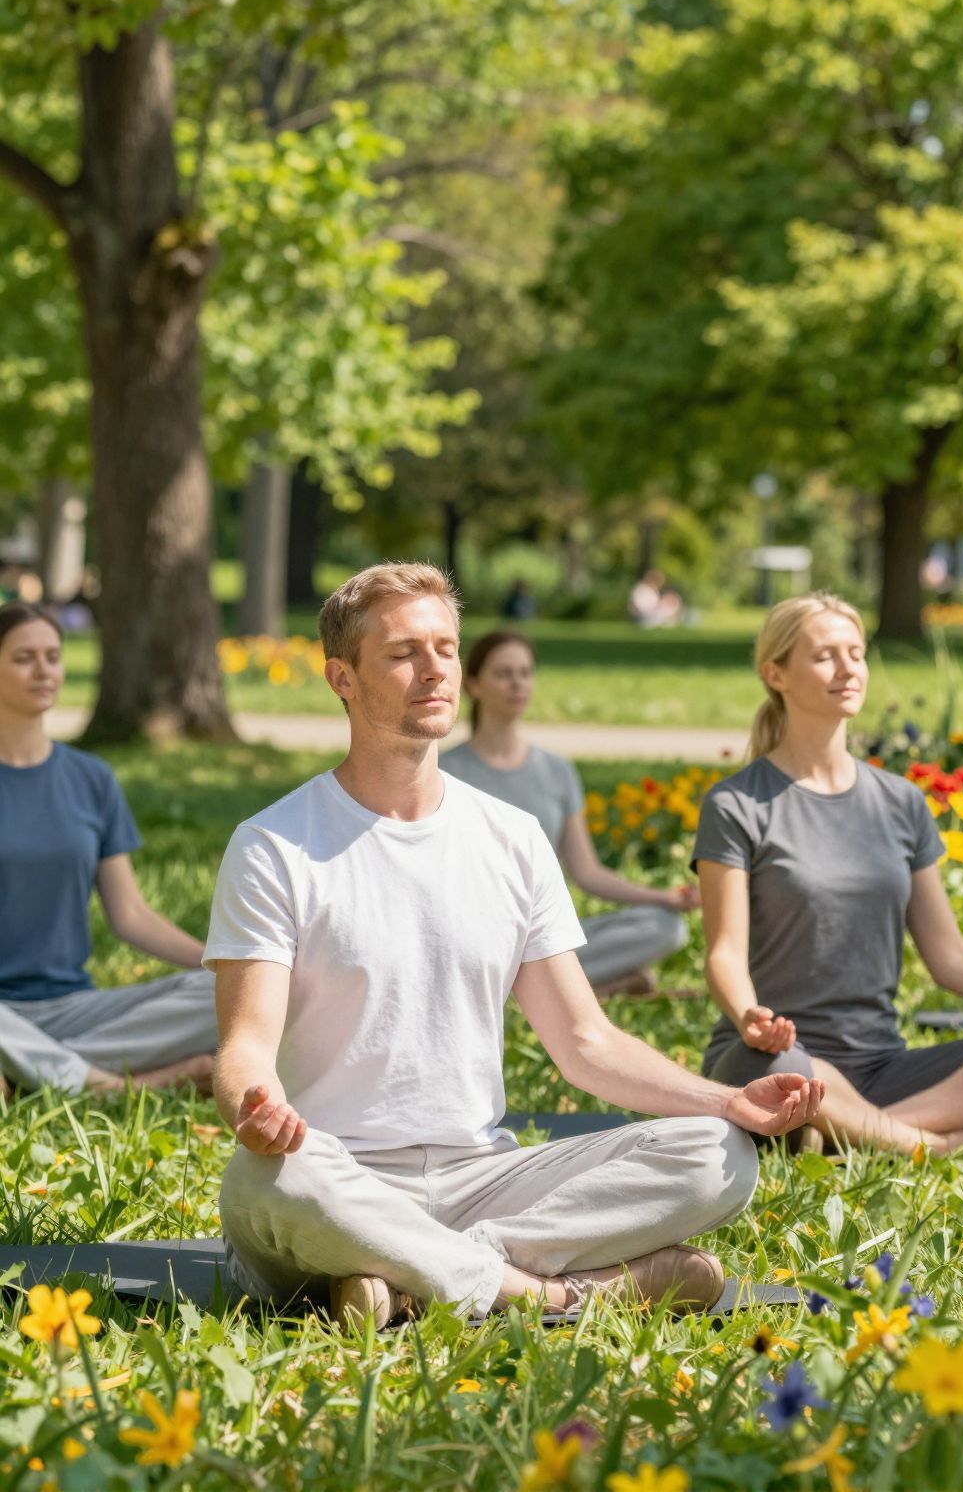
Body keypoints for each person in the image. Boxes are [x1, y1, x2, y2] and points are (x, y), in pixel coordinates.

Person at [206, 562, 823, 1328]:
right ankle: (548, 1295)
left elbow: (587, 1042)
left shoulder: (511, 838)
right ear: (343, 678)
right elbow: (244, 1047)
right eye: (403, 653)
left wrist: (727, 1100)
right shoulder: (273, 845)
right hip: (337, 1173)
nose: (435, 669)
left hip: (484, 1178)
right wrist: (255, 1109)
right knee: (268, 1183)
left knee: (717, 1154)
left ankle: (410, 1276)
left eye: (446, 648)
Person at [693, 591, 963, 1155]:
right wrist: (750, 1016)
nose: (848, 668)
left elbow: (951, 958)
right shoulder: (737, 804)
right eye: (825, 655)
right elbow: (723, 955)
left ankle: (845, 1133)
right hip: (775, 1056)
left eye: (856, 653)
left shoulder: (900, 802)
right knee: (785, 1073)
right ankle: (932, 1144)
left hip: (882, 1066)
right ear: (775, 673)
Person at [0, 603, 217, 1096]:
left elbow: (131, 915)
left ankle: (31, 1075)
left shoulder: (90, 779)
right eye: (24, 658)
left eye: (53, 656)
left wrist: (222, 965)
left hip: (72, 1008)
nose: (43, 670)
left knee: (232, 993)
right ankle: (116, 1084)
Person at [441, 631, 697, 997]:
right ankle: (571, 987)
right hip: (476, 939)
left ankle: (538, 986)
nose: (518, 683)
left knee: (666, 927)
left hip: (547, 938)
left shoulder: (557, 771)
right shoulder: (444, 771)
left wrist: (661, 898)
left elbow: (587, 871)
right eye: (504, 673)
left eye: (526, 673)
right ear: (475, 685)